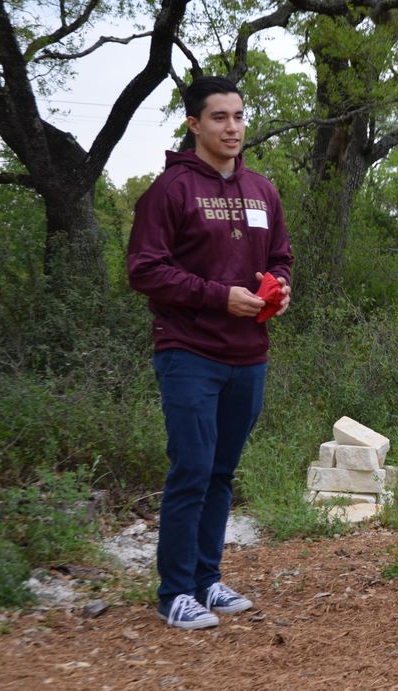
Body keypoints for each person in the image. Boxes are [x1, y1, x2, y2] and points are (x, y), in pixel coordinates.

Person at [127, 76, 293, 630]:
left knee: (221, 472)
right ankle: (174, 591)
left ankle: (206, 579)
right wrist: (220, 297)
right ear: (195, 124)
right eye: (219, 117)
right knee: (192, 469)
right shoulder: (170, 190)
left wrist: (280, 289)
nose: (232, 127)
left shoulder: (262, 190)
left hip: (249, 354)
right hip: (189, 352)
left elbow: (281, 257)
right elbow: (145, 270)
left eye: (239, 116)